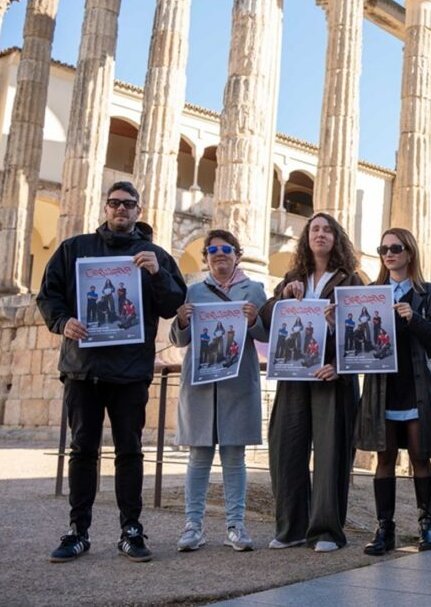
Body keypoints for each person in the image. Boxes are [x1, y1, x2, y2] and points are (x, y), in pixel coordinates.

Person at [37, 181, 186, 563]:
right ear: (105, 208)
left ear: (138, 211)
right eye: (115, 203)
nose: (121, 209)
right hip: (83, 369)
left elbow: (173, 305)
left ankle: (131, 531)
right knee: (82, 450)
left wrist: (157, 275)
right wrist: (63, 320)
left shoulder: (155, 255)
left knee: (130, 452)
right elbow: (48, 295)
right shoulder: (75, 249)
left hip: (130, 371)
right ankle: (77, 531)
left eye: (128, 204)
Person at [260, 213, 364, 553]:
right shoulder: (293, 277)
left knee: (331, 454)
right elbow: (266, 320)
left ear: (336, 238)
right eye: (315, 229)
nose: (320, 234)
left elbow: (363, 335)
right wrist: (282, 299)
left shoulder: (351, 280)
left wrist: (340, 366)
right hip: (294, 375)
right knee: (285, 448)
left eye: (327, 230)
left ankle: (327, 531)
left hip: (332, 377)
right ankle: (291, 528)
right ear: (307, 237)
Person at [171, 230, 267, 553]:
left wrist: (255, 321)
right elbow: (178, 340)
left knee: (234, 457)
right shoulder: (193, 291)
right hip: (201, 385)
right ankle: (193, 526)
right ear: (207, 257)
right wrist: (182, 322)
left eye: (226, 249)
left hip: (237, 384)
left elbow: (268, 334)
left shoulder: (254, 290)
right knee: (198, 457)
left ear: (237, 255)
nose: (219, 254)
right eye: (212, 250)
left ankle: (235, 526)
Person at [358, 228, 431, 556]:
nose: (388, 253)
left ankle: (427, 526)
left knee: (421, 458)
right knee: (384, 459)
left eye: (395, 247)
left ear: (409, 252)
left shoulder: (429, 293)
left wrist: (414, 318)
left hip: (417, 386)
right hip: (383, 388)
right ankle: (385, 529)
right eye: (383, 248)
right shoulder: (370, 293)